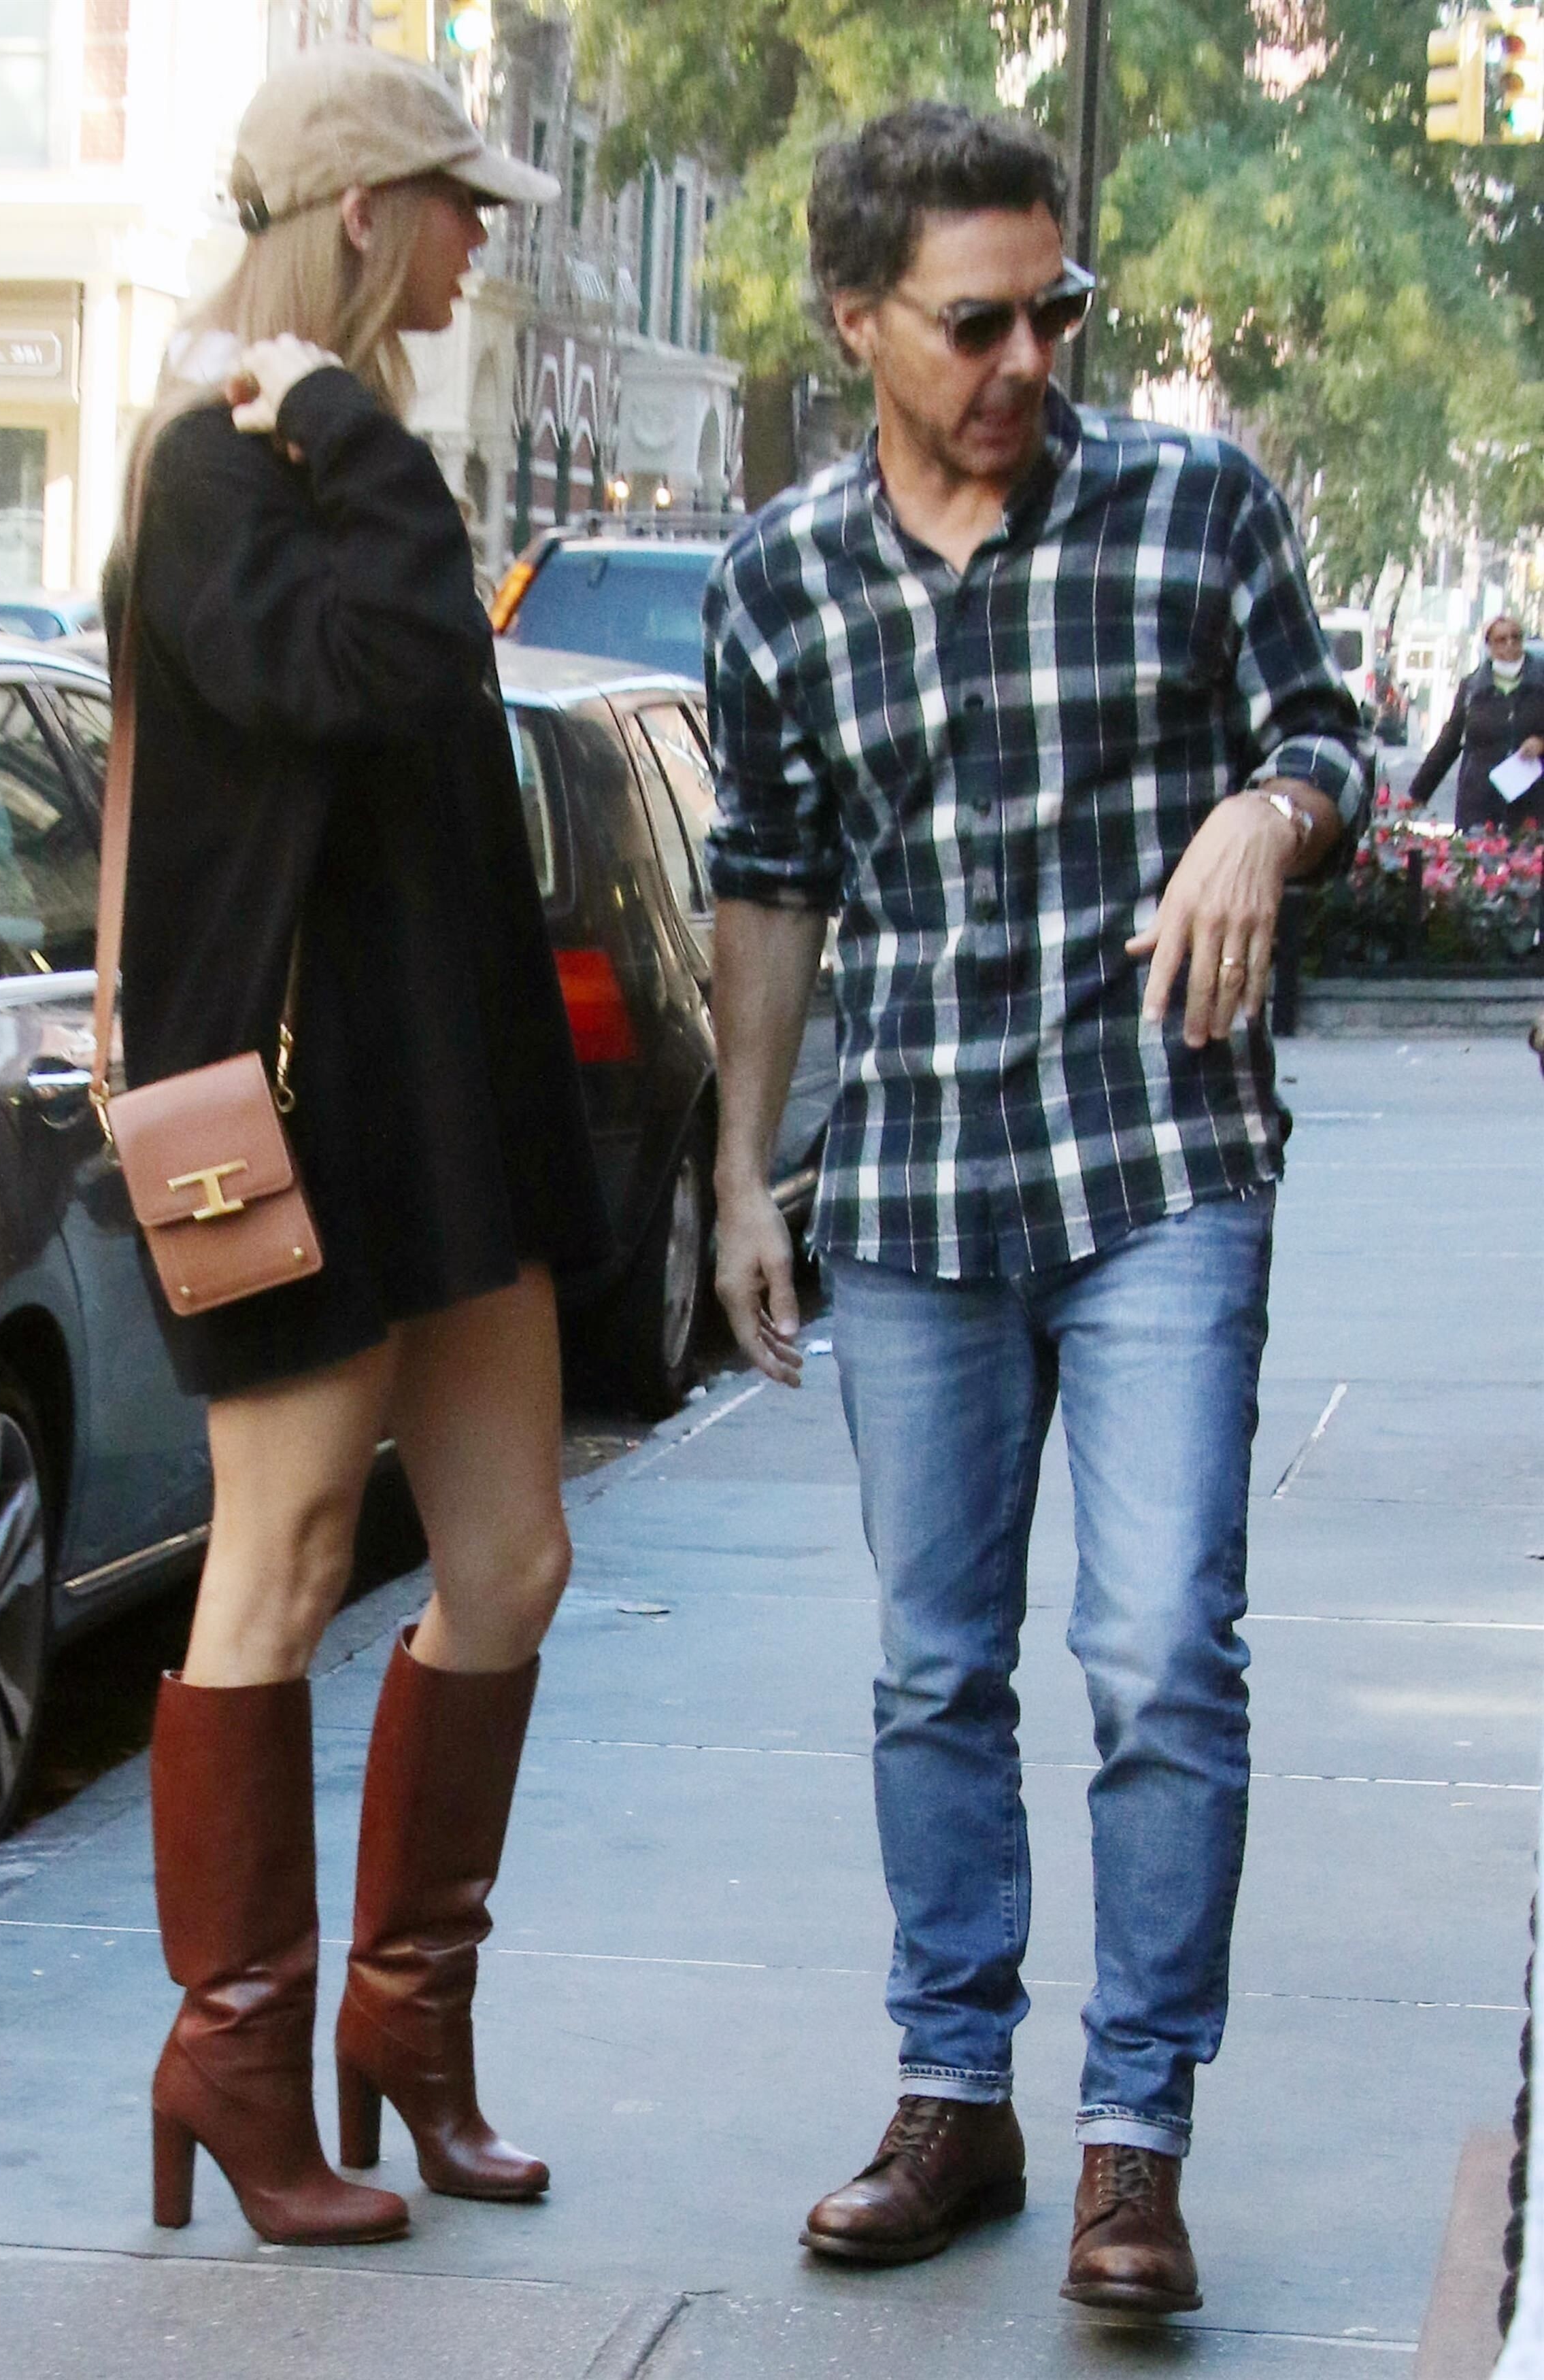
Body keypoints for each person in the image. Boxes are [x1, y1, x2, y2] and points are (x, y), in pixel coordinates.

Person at [704, 103, 1369, 2315]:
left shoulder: (1191, 505)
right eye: (973, 321)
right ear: (856, 321)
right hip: (911, 1183)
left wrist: (1266, 815)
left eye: (1052, 310)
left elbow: (1327, 737)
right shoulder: (780, 580)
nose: (1024, 357)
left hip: (1156, 1164)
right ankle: (952, 2097)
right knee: (931, 1668)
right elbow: (770, 886)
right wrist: (739, 1171)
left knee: (1159, 1651)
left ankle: (1131, 2141)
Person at [111, 44, 610, 2248]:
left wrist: (348, 424)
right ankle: (234, 2055)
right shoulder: (223, 465)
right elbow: (380, 671)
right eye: (456, 201)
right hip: (297, 1123)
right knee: (286, 1557)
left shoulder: (327, 445)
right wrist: (335, 417)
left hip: (445, 1106)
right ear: (362, 214)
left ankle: (405, 2021)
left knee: (509, 1559)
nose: (481, 237)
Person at [1407, 614, 1544, 830]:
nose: (1510, 644)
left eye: (1516, 637)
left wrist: (1541, 743)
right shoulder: (1472, 688)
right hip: (1480, 804)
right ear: (1489, 646)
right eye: (1501, 640)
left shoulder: (1540, 684)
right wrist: (1418, 793)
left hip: (1532, 805)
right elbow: (1449, 742)